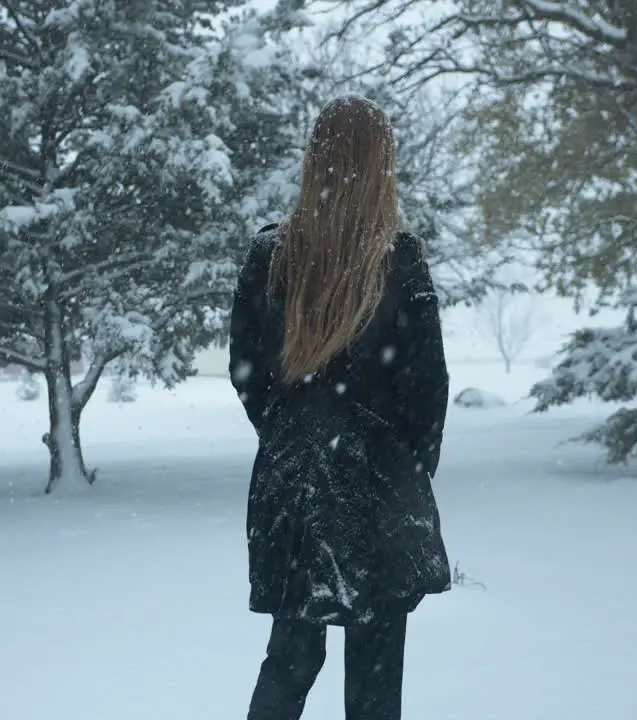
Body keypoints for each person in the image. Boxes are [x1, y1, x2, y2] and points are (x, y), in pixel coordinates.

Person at [228, 95, 452, 720]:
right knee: (374, 676)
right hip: (375, 485)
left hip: (291, 484)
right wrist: (404, 466)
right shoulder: (399, 259)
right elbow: (427, 388)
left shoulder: (270, 255)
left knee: (291, 657)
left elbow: (246, 371)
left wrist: (287, 435)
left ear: (315, 161)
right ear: (382, 164)